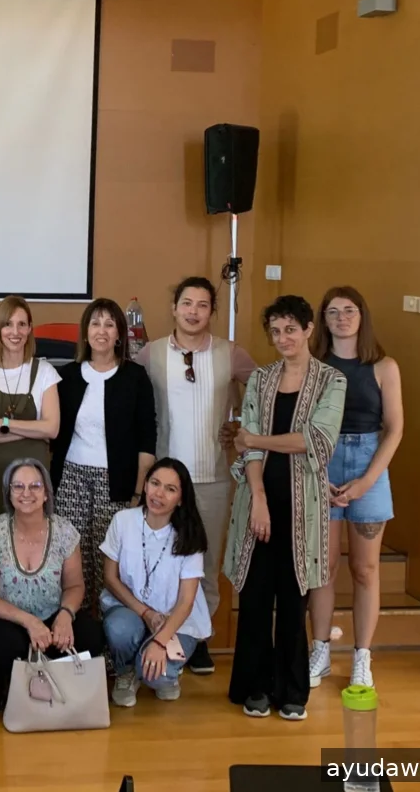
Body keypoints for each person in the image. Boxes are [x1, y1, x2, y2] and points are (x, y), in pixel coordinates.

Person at [223, 295, 346, 721]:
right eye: (275, 331)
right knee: (256, 596)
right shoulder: (260, 379)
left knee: (294, 600)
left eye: (291, 329)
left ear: (309, 329)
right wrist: (257, 498)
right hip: (259, 498)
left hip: (303, 505)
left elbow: (315, 441)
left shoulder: (331, 381)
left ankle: (292, 691)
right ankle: (255, 687)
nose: (283, 338)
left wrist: (255, 439)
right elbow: (246, 447)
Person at [135, 276, 256, 675]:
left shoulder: (230, 353)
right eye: (187, 303)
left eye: (202, 305)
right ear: (174, 308)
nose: (193, 311)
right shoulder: (151, 354)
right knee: (162, 560)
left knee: (205, 562)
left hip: (213, 476)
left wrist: (242, 428)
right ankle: (158, 634)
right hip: (163, 480)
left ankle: (198, 638)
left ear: (212, 312)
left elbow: (265, 390)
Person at [308, 287, 403, 689]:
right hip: (323, 463)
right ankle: (320, 651)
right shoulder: (312, 364)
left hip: (369, 462)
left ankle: (362, 656)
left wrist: (366, 481)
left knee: (365, 569)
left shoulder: (384, 366)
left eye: (349, 311)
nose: (342, 318)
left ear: (362, 316)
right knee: (323, 567)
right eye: (333, 312)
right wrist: (317, 471)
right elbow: (302, 424)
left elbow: (394, 429)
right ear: (323, 320)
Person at [0, 458, 105, 711]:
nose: (26, 493)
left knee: (91, 635)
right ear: (9, 493)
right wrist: (29, 622)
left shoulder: (65, 531)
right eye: (18, 486)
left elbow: (75, 586)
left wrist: (65, 615)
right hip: (10, 619)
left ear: (46, 493)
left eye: (35, 486)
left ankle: (58, 690)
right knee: (0, 645)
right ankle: (2, 693)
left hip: (53, 616)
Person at [52, 297, 157, 611]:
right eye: (95, 323)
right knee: (72, 559)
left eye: (109, 324)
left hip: (117, 483)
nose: (102, 331)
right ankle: (75, 628)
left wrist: (138, 493)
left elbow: (147, 440)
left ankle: (108, 634)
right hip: (70, 479)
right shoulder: (67, 376)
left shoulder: (135, 377)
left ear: (119, 334)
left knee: (109, 561)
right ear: (85, 332)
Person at [101, 458, 211, 707]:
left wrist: (161, 641)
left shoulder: (189, 535)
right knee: (120, 629)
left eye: (170, 489)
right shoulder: (123, 520)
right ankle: (125, 671)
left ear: (181, 499)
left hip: (175, 620)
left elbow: (186, 601)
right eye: (155, 483)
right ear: (145, 485)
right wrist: (146, 613)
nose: (159, 494)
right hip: (130, 610)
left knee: (157, 676)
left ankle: (164, 671)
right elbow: (110, 578)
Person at [0, 295, 61, 527]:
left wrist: (1, 424)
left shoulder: (45, 372)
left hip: (31, 484)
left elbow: (52, 429)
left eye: (21, 324)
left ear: (29, 329)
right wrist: (33, 431)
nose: (15, 332)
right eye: (7, 324)